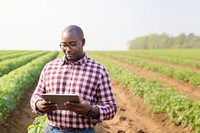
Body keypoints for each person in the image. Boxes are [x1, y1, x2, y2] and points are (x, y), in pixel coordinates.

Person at [30, 25, 117, 133]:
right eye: (64, 45)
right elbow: (35, 96)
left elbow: (111, 108)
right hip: (51, 129)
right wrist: (39, 104)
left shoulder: (98, 70)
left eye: (72, 44)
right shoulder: (49, 68)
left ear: (83, 42)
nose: (68, 49)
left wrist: (90, 110)